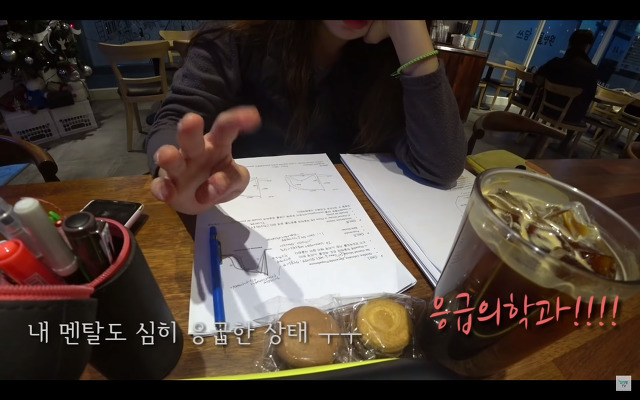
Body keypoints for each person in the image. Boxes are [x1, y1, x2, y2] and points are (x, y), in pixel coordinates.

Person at [145, 20, 467, 215]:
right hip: (235, 221)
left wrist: (410, 32)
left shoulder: (386, 61)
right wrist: (179, 172)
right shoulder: (238, 33)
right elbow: (176, 117)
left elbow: (441, 166)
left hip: (343, 238)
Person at [532, 29, 598, 150]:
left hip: (544, 108)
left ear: (570, 43)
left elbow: (537, 80)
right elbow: (590, 96)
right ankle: (564, 145)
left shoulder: (555, 62)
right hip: (570, 117)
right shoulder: (591, 70)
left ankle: (530, 129)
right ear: (587, 46)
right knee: (580, 107)